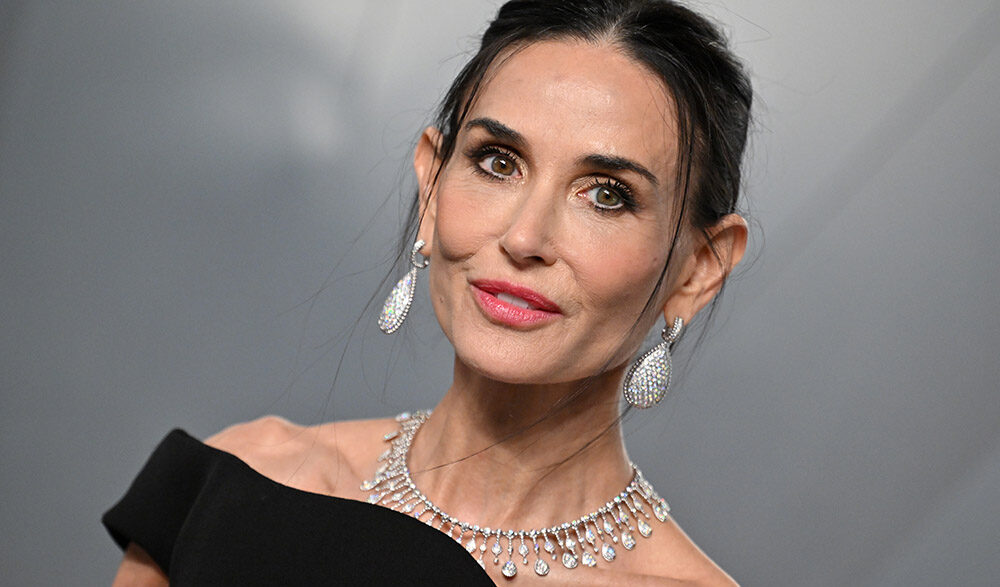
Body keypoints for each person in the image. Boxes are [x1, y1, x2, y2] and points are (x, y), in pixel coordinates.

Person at [104, 0, 752, 584]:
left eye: (606, 195)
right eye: (498, 162)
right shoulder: (240, 484)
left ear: (699, 269)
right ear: (433, 187)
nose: (524, 236)